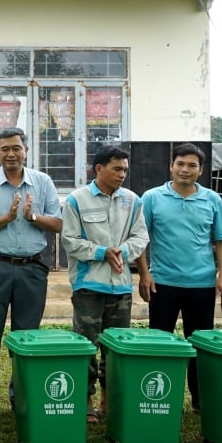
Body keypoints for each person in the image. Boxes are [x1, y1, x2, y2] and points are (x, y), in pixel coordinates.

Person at [0, 127, 62, 407]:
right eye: (5, 149)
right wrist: (7, 218)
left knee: (27, 335)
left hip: (32, 268)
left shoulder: (42, 182)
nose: (11, 153)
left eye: (16, 148)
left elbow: (57, 224)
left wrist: (32, 216)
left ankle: (21, 398)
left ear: (26, 150)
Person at [61, 145, 150, 423]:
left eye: (125, 169)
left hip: (121, 287)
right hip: (89, 285)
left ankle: (108, 399)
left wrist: (121, 251)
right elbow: (70, 241)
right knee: (87, 344)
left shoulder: (133, 200)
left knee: (115, 347)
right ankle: (85, 399)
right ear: (98, 169)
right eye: (116, 169)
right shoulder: (77, 199)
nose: (122, 174)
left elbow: (141, 237)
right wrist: (102, 252)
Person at [141, 143, 222, 412]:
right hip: (162, 284)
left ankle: (201, 400)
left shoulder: (212, 200)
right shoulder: (151, 198)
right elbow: (139, 240)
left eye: (192, 165)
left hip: (202, 285)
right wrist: (145, 274)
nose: (185, 169)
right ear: (171, 166)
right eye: (180, 163)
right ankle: (158, 398)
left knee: (200, 344)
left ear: (201, 170)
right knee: (160, 343)